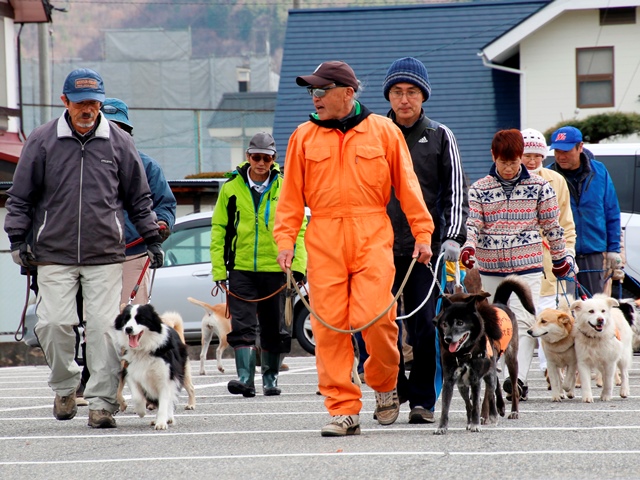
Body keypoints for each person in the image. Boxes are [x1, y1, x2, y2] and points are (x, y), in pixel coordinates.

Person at [273, 60, 434, 437]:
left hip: (372, 233)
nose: (314, 98)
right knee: (329, 329)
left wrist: (422, 233)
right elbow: (291, 198)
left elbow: (408, 187)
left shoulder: (384, 131)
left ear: (347, 93)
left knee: (376, 319)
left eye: (320, 91)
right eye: (311, 92)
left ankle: (383, 383)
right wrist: (285, 242)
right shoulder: (302, 136)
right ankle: (343, 409)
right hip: (324, 236)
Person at [4, 68, 163, 429]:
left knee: (106, 328)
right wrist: (17, 239)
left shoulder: (119, 143)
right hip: (53, 252)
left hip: (105, 251)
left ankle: (102, 403)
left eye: (93, 103)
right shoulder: (43, 140)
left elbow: (140, 197)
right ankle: (65, 386)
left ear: (101, 103)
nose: (87, 109)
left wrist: (152, 238)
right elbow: (20, 197)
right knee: (53, 324)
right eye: (80, 103)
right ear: (65, 102)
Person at [381, 57, 468, 424]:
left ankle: (423, 401)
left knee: (425, 325)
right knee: (374, 322)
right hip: (378, 244)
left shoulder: (439, 136)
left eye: (412, 92)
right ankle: (392, 384)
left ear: (423, 96)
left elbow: (455, 192)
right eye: (398, 92)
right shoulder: (372, 133)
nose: (404, 99)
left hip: (425, 248)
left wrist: (451, 238)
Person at [74, 98, 177, 404]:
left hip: (133, 253)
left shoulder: (146, 165)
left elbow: (166, 205)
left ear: (128, 133)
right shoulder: (79, 163)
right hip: (94, 255)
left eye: (122, 128)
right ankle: (93, 379)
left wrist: (161, 225)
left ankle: (142, 387)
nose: (115, 132)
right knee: (97, 322)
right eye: (110, 126)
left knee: (132, 325)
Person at [460, 129, 572, 402]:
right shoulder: (479, 189)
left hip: (528, 265)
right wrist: (468, 247)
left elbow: (551, 226)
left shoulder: (540, 187)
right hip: (489, 266)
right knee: (490, 323)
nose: (509, 169)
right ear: (493, 157)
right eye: (503, 163)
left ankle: (516, 380)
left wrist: (560, 258)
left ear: (522, 157)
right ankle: (493, 372)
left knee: (522, 322)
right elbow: (473, 223)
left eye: (514, 162)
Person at [210, 132, 307, 398]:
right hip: (241, 268)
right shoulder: (230, 188)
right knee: (242, 325)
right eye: (256, 157)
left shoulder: (286, 186)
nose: (261, 162)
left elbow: (299, 227)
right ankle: (245, 379)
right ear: (248, 157)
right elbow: (219, 229)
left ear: (274, 159)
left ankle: (271, 379)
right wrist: (219, 270)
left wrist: (298, 267)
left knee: (275, 326)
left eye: (266, 158)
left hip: (277, 268)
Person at [521, 128, 577, 381]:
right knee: (521, 319)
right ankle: (517, 375)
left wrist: (568, 254)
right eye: (526, 155)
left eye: (537, 156)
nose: (532, 161)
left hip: (549, 263)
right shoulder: (507, 178)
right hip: (515, 262)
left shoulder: (556, 180)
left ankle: (549, 370)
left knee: (547, 319)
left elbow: (566, 222)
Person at [547, 126, 622, 296]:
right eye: (557, 151)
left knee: (593, 308)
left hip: (593, 251)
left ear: (580, 147)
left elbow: (611, 212)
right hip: (560, 253)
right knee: (565, 309)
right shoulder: (549, 176)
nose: (561, 156)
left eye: (566, 151)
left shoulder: (599, 171)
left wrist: (614, 249)